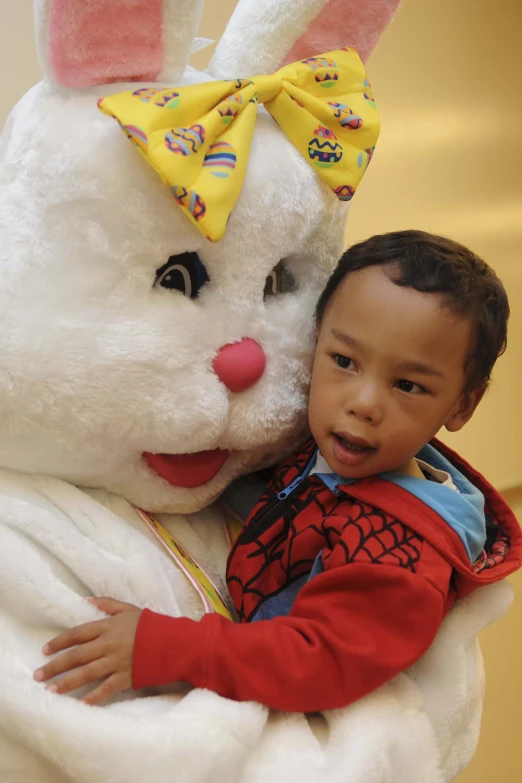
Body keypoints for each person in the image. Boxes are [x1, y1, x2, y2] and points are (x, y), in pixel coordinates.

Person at [34, 230, 522, 711]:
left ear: (462, 405)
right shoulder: (326, 444)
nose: (363, 403)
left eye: (408, 385)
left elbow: (318, 661)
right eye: (345, 360)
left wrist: (166, 648)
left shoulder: (400, 556)